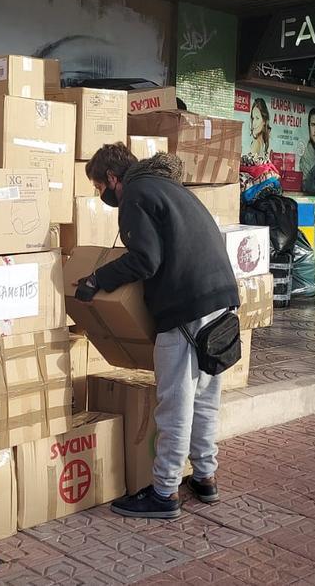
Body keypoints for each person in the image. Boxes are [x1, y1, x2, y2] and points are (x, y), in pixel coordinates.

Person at [75, 144, 240, 519]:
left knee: (175, 402)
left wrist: (96, 279)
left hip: (185, 310)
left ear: (113, 179)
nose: (101, 194)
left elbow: (145, 259)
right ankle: (205, 477)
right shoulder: (172, 188)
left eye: (99, 186)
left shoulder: (136, 193)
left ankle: (164, 492)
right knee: (204, 399)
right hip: (222, 302)